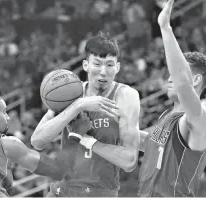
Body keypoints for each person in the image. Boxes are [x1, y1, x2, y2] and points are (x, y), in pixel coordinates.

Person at [31, 32, 141, 197]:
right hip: (62, 190)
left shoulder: (126, 96)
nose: (103, 71)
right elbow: (37, 141)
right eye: (97, 64)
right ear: (85, 65)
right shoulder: (69, 93)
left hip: (99, 193)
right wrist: (78, 105)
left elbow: (129, 161)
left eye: (109, 65)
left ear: (117, 67)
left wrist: (86, 140)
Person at [138, 0, 206, 197]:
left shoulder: (198, 118)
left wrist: (165, 28)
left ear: (196, 79)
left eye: (176, 71)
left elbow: (182, 82)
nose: (170, 76)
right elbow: (150, 144)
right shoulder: (167, 115)